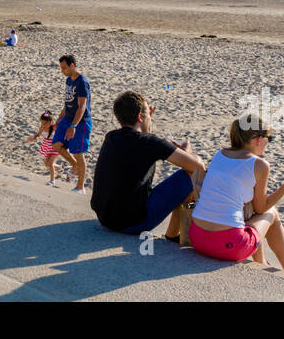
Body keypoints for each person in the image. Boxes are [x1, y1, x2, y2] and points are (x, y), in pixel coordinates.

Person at [189, 110, 284, 275]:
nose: (268, 143)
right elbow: (261, 208)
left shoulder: (219, 154)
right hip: (229, 247)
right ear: (258, 139)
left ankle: (261, 262)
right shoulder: (259, 165)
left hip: (197, 238)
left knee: (247, 211)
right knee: (271, 213)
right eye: (269, 139)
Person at [90, 91, 204, 240]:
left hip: (105, 218)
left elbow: (142, 141)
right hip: (134, 223)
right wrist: (188, 151)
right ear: (140, 117)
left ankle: (176, 233)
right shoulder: (149, 143)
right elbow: (198, 167)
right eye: (148, 115)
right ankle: (174, 234)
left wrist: (146, 121)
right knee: (190, 175)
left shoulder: (111, 137)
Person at [51, 54, 91, 194]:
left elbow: (82, 107)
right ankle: (74, 165)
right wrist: (59, 118)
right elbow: (68, 102)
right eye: (61, 68)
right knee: (56, 144)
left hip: (80, 122)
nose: (62, 71)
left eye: (64, 68)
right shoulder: (69, 79)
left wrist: (73, 126)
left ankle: (80, 187)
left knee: (78, 153)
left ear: (72, 65)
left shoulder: (82, 82)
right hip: (66, 119)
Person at [26, 110, 67, 184]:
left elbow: (63, 129)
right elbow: (38, 136)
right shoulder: (42, 128)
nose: (43, 125)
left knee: (50, 163)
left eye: (45, 123)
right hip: (47, 147)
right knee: (47, 164)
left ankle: (52, 180)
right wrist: (34, 138)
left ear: (51, 122)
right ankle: (59, 167)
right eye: (42, 123)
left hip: (55, 147)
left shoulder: (54, 127)